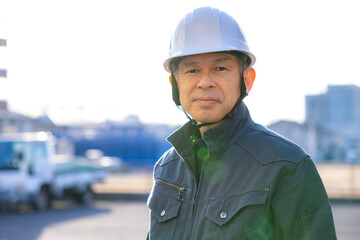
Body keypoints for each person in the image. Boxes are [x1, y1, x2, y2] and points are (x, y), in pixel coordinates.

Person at [147, 6, 337, 240]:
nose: (205, 82)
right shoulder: (167, 168)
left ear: (247, 80)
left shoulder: (286, 166)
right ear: (174, 84)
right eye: (192, 70)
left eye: (220, 68)